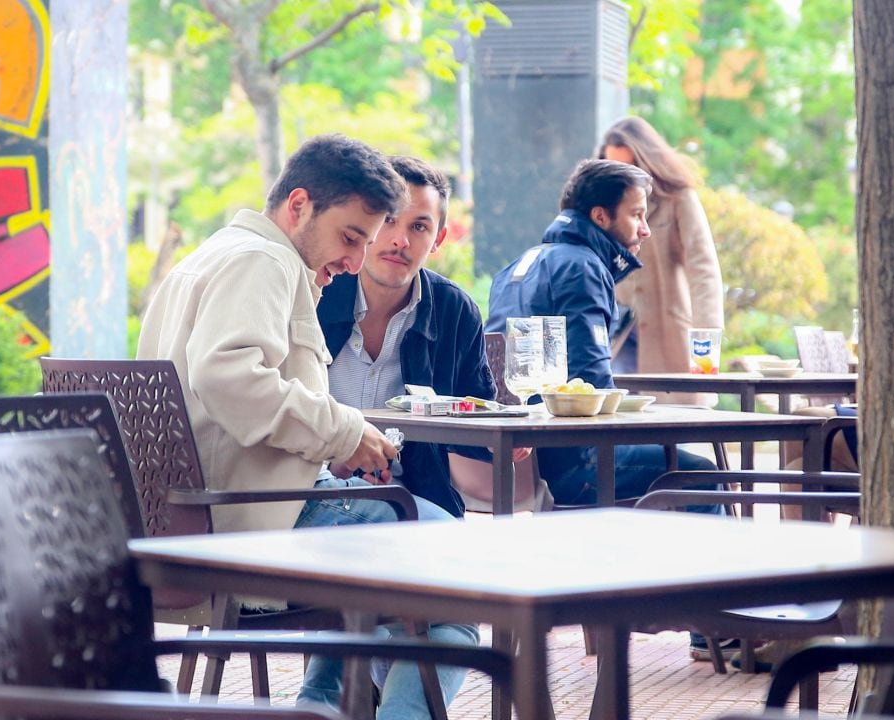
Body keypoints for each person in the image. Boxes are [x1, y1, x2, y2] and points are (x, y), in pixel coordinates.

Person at [137, 133, 412, 540]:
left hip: (206, 508)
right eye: (350, 238)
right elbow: (227, 377)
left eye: (364, 245)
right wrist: (344, 432)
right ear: (299, 206)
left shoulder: (220, 251)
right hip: (250, 518)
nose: (355, 264)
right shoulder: (264, 260)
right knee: (435, 532)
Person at [302, 156, 489, 716]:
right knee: (455, 590)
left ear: (439, 238)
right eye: (390, 221)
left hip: (414, 498)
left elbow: (479, 431)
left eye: (419, 226)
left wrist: (521, 430)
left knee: (432, 597)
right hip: (309, 497)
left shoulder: (453, 310)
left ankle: (325, 700)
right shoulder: (315, 292)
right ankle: (343, 698)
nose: (399, 240)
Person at [485, 159, 719, 506]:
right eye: (637, 215)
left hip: (512, 462)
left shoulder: (518, 264)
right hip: (575, 462)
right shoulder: (582, 267)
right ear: (600, 217)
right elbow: (589, 382)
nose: (645, 229)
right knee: (702, 475)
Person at [597, 117, 725, 404]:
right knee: (610, 410)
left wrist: (706, 336)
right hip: (617, 329)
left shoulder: (677, 197)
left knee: (673, 416)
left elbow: (702, 267)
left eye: (630, 167)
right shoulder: (600, 205)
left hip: (667, 328)